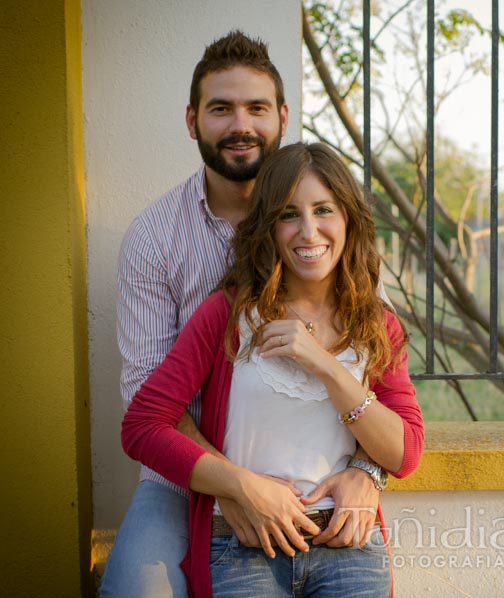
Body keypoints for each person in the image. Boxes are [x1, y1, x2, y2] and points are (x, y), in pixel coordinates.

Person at [103, 31, 387, 596]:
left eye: (257, 107)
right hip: (182, 475)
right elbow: (146, 395)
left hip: (306, 477)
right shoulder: (154, 238)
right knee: (136, 591)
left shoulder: (322, 232)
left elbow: (372, 361)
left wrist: (368, 470)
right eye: (221, 109)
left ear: (282, 115)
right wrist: (235, 487)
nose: (242, 125)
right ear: (192, 121)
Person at [121, 141, 424, 597]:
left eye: (324, 210)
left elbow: (406, 453)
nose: (308, 231)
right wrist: (242, 487)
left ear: (348, 219)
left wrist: (327, 366)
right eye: (288, 214)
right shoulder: (226, 315)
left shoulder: (377, 325)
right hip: (244, 548)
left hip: (347, 545)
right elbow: (143, 426)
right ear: (268, 226)